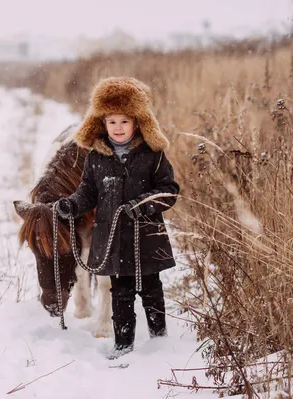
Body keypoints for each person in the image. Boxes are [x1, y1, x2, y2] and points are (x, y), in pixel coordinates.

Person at [55, 76, 180, 359]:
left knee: (151, 290)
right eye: (112, 122)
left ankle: (160, 341)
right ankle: (123, 345)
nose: (118, 128)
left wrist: (143, 205)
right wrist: (71, 205)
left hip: (146, 238)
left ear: (137, 122)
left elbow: (168, 191)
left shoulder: (152, 155)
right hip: (113, 241)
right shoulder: (96, 158)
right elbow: (88, 191)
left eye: (124, 121)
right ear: (102, 124)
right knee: (119, 293)